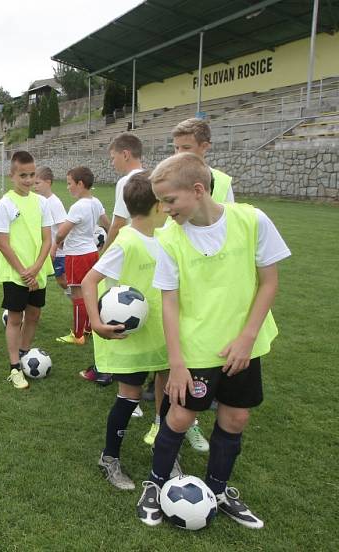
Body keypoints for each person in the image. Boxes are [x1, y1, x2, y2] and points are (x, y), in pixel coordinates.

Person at [136, 153, 290, 529]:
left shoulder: (252, 220)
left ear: (199, 189)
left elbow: (269, 282)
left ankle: (218, 490)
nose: (165, 209)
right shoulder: (169, 238)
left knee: (236, 418)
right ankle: (155, 485)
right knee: (181, 415)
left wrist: (247, 338)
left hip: (244, 345)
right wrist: (175, 363)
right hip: (195, 347)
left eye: (170, 200)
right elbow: (168, 302)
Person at [81, 172, 169, 490]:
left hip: (163, 332)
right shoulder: (128, 240)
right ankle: (109, 458)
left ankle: (166, 454)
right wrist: (95, 322)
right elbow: (90, 281)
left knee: (167, 395)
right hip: (133, 338)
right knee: (129, 397)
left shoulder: (167, 234)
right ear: (158, 204)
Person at [0, 151, 54, 390]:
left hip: (37, 270)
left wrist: (36, 267)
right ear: (12, 175)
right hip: (15, 273)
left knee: (35, 315)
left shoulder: (42, 202)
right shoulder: (5, 203)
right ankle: (15, 366)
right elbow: (3, 243)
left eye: (31, 175)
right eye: (23, 175)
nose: (28, 180)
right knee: (15, 318)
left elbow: (48, 239)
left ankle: (25, 352)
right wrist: (23, 271)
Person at [54, 166, 110, 348]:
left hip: (77, 255)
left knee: (78, 294)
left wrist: (58, 241)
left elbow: (62, 231)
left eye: (70, 183)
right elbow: (107, 224)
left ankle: (77, 335)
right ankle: (87, 327)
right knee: (89, 292)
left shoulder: (78, 206)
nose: (68, 187)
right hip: (91, 252)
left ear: (80, 184)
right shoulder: (95, 202)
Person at [172, 118, 235, 204]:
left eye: (186, 147)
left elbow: (228, 215)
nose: (179, 153)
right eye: (176, 148)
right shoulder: (163, 179)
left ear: (204, 146)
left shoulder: (223, 182)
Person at [103, 134, 144, 252]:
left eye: (113, 158)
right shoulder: (152, 177)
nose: (112, 163)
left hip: (131, 247)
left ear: (125, 155)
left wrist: (105, 251)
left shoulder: (127, 182)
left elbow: (118, 224)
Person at [32, 167, 69, 296]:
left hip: (56, 252)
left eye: (37, 183)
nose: (34, 186)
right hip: (44, 250)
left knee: (63, 281)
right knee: (34, 277)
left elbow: (63, 229)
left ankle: (79, 302)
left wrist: (55, 248)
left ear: (48, 182)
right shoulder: (39, 201)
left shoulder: (54, 203)